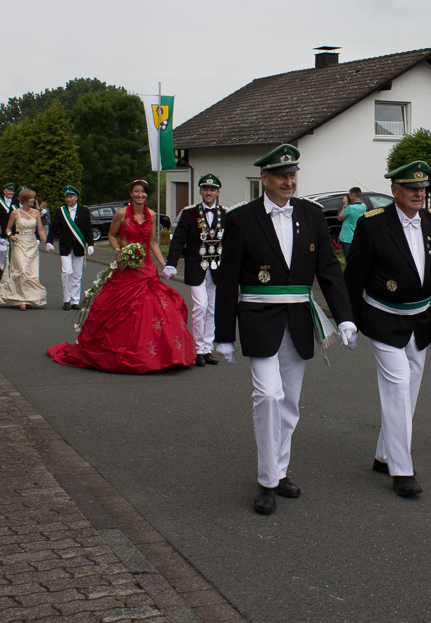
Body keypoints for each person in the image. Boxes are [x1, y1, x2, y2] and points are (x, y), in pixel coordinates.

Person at [214, 144, 358, 515]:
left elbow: (328, 270)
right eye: (281, 176)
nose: (288, 182)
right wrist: (223, 334)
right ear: (264, 178)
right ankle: (266, 482)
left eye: (292, 175)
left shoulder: (311, 214)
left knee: (290, 403)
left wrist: (344, 317)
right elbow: (228, 279)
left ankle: (278, 472)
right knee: (268, 396)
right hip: (259, 320)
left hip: (298, 320)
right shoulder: (241, 218)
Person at [344, 161, 431, 498]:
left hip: (419, 320)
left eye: (422, 188)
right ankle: (401, 470)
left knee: (409, 391)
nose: (419, 194)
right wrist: (349, 320)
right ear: (395, 190)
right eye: (411, 188)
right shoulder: (373, 225)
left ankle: (383, 455)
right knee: (399, 386)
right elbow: (353, 277)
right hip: (383, 318)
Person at [47, 179, 195, 372]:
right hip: (126, 268)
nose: (140, 195)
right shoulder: (122, 214)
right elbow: (111, 235)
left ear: (146, 194)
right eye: (136, 191)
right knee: (117, 308)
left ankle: (155, 353)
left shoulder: (151, 215)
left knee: (152, 307)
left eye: (143, 192)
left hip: (146, 268)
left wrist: (164, 264)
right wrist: (120, 251)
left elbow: (152, 242)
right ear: (131, 193)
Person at [163, 173, 225, 366]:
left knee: (213, 309)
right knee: (200, 307)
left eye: (212, 189)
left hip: (217, 269)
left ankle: (207, 348)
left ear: (218, 192)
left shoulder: (225, 214)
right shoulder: (189, 213)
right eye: (205, 189)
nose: (209, 192)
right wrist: (171, 263)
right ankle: (198, 349)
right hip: (195, 267)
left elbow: (232, 242)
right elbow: (178, 240)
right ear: (200, 191)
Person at [0, 187, 47, 309]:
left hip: (32, 243)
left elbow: (40, 230)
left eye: (33, 198)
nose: (33, 200)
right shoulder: (15, 213)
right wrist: (10, 236)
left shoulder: (36, 212)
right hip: (19, 242)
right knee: (21, 270)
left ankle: (29, 298)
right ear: (24, 199)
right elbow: (8, 229)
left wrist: (48, 242)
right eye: (30, 198)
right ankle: (21, 299)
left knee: (32, 272)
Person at [45, 186, 95, 311]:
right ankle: (66, 300)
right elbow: (54, 227)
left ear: (76, 197)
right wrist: (49, 241)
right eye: (66, 197)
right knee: (66, 272)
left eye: (71, 197)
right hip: (65, 246)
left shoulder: (84, 211)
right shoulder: (60, 211)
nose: (68, 199)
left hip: (79, 246)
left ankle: (75, 301)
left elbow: (88, 229)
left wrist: (91, 244)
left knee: (77, 275)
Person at [336, 187, 366, 259]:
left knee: (348, 258)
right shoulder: (363, 206)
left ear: (353, 195)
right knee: (356, 258)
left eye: (350, 195)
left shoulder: (350, 208)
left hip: (347, 238)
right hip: (357, 237)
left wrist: (345, 205)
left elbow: (340, 218)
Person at [0, 183, 18, 270]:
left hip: (13, 231)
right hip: (0, 230)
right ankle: (0, 270)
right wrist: (1, 234)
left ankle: (11, 270)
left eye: (12, 191)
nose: (11, 192)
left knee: (12, 252)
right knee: (1, 251)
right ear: (4, 191)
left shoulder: (16, 202)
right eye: (9, 190)